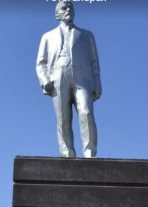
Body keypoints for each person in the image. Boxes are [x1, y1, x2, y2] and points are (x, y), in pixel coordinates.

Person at [36, 0, 102, 158]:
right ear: (57, 14)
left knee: (86, 112)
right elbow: (41, 63)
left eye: (70, 7)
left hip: (83, 79)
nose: (68, 10)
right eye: (64, 8)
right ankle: (67, 153)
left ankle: (89, 152)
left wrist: (97, 84)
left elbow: (95, 62)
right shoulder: (47, 36)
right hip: (58, 76)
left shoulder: (86, 35)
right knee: (63, 118)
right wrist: (45, 80)